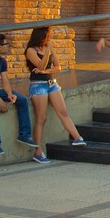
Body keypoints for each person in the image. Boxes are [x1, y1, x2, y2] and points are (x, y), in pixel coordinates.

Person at [24, 27, 86, 164]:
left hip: (52, 83)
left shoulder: (48, 47)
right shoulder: (30, 50)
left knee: (63, 111)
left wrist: (45, 70)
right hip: (38, 85)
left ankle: (77, 138)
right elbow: (40, 65)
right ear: (41, 36)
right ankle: (38, 152)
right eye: (47, 36)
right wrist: (45, 59)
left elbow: (58, 67)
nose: (49, 38)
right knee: (41, 118)